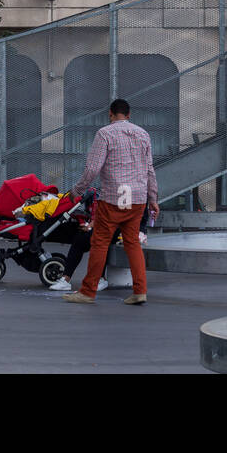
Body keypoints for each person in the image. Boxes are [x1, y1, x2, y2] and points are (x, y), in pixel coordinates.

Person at [62, 98, 158, 305]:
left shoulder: (105, 134)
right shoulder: (143, 134)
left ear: (110, 114)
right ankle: (140, 291)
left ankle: (88, 291)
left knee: (100, 243)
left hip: (114, 197)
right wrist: (153, 198)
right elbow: (150, 169)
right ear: (129, 115)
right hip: (137, 198)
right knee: (132, 243)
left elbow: (93, 168)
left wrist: (76, 191)